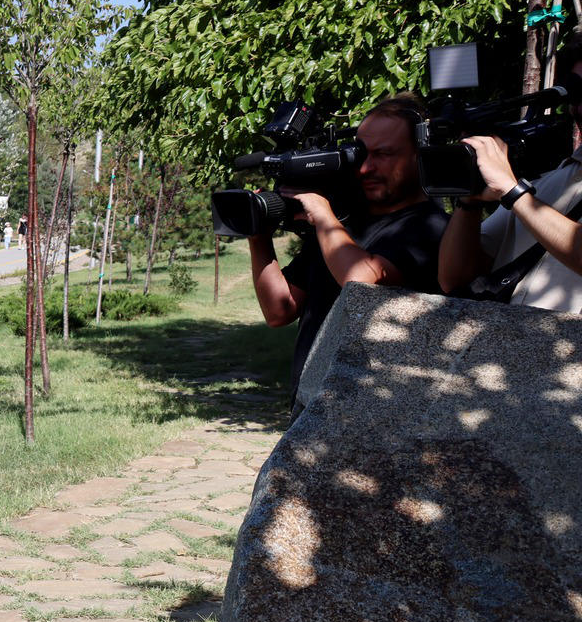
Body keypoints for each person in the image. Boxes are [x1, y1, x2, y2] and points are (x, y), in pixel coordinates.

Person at [246, 95, 451, 389]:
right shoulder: (341, 225)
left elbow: (361, 281)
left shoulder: (432, 227)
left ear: (421, 154)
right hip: (311, 407)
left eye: (384, 154)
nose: (366, 168)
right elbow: (280, 309)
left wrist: (322, 216)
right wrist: (258, 234)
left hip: (372, 409)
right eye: (363, 154)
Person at [436, 45, 582, 312]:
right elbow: (454, 278)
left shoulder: (522, 194)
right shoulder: (549, 182)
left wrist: (511, 190)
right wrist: (470, 201)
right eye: (577, 93)